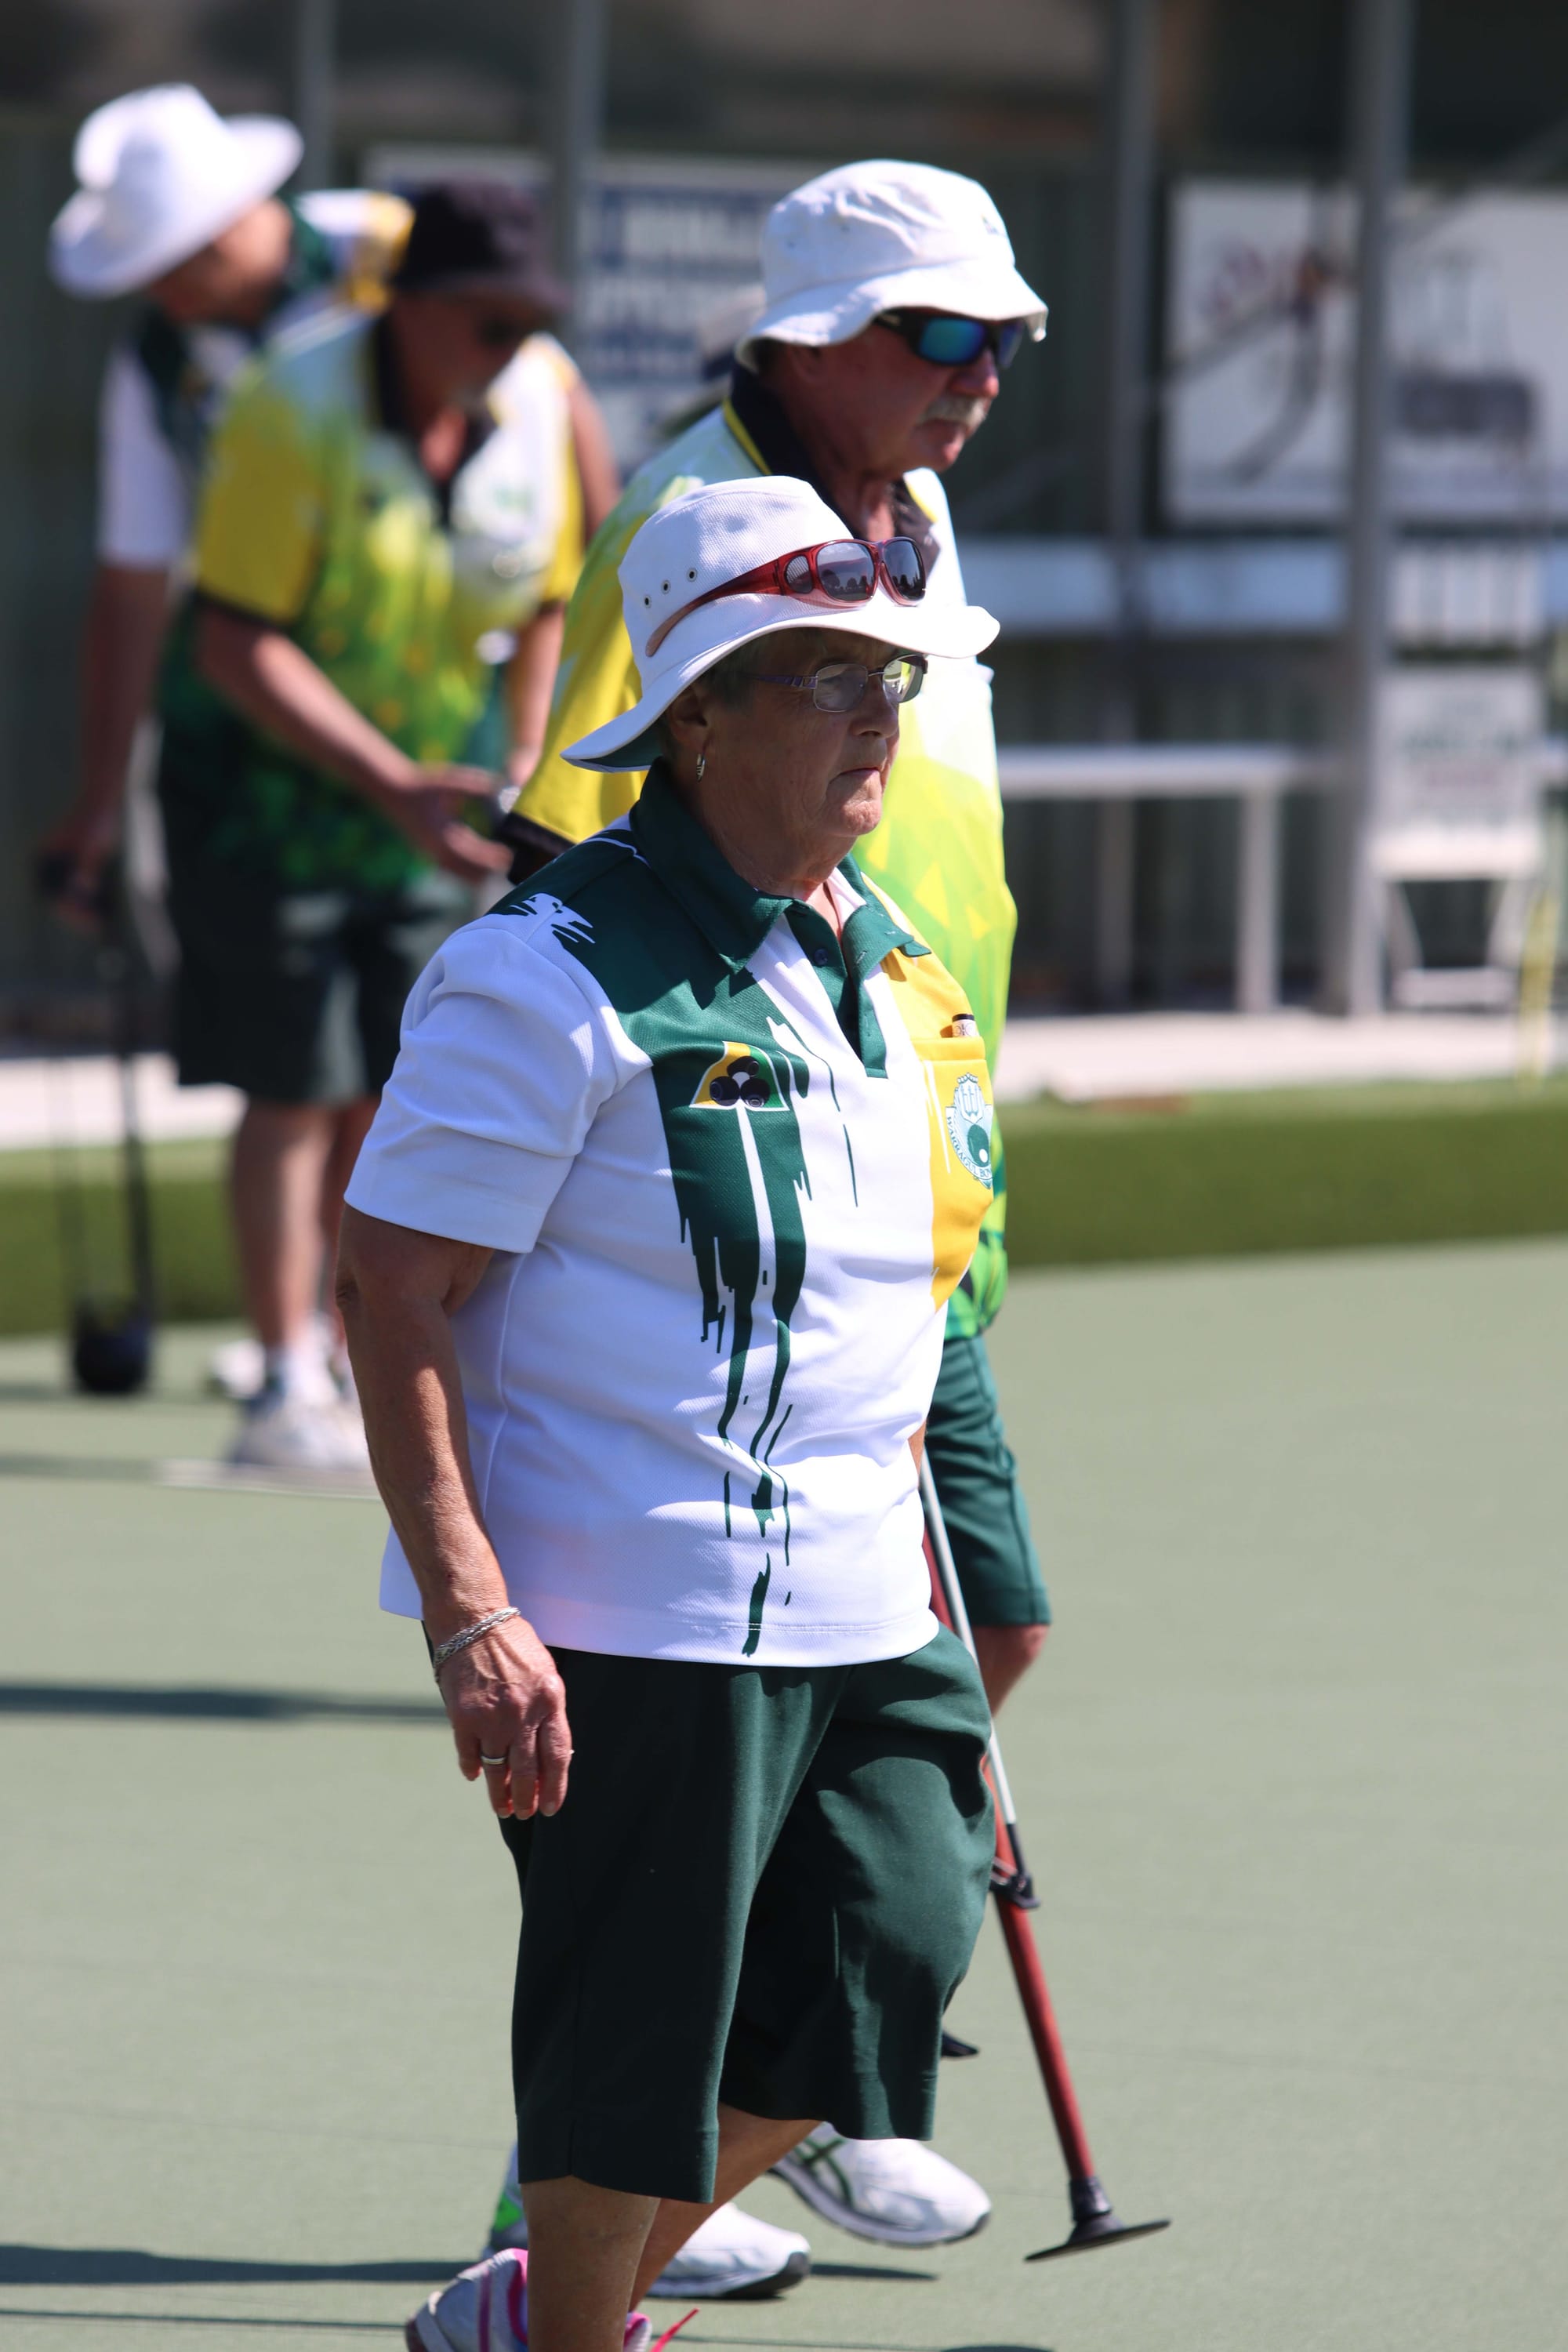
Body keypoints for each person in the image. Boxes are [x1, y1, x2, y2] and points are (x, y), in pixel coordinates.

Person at [336, 474, 1001, 2352]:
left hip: (864, 1590)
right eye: (823, 677)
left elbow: (894, 1288)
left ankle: (548, 2311)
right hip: (633, 1607)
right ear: (696, 717)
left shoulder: (880, 953)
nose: (875, 716)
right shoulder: (543, 970)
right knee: (632, 2045)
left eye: (887, 676)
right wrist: (469, 1606)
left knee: (889, 1945)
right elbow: (391, 1291)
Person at [489, 157, 1050, 2279]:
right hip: (749, 1188)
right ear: (811, 338)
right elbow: (579, 841)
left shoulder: (921, 518)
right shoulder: (700, 513)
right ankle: (639, 2149)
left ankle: (769, 2086)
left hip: (913, 1163)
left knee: (984, 1634)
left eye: (1004, 337)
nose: (981, 372)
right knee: (737, 1746)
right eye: (939, 333)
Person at [44, 93, 619, 1461]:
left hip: (433, 754)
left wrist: (539, 746)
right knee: (292, 1073)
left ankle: (352, 1342)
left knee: (391, 1074)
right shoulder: (188, 372)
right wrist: (96, 804)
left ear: (236, 225)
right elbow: (148, 594)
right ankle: (282, 1363)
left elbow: (572, 526)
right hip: (262, 773)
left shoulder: (408, 260)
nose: (171, 290)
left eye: (181, 258)